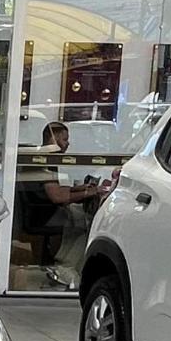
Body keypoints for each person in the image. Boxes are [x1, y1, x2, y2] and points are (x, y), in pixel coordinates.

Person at [34, 122, 100, 289]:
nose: (68, 143)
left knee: (78, 213)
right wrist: (88, 193)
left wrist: (80, 189)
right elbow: (57, 197)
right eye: (64, 139)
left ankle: (65, 262)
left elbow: (55, 189)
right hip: (44, 214)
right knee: (86, 224)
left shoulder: (44, 158)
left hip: (41, 209)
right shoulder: (46, 161)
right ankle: (66, 267)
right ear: (53, 139)